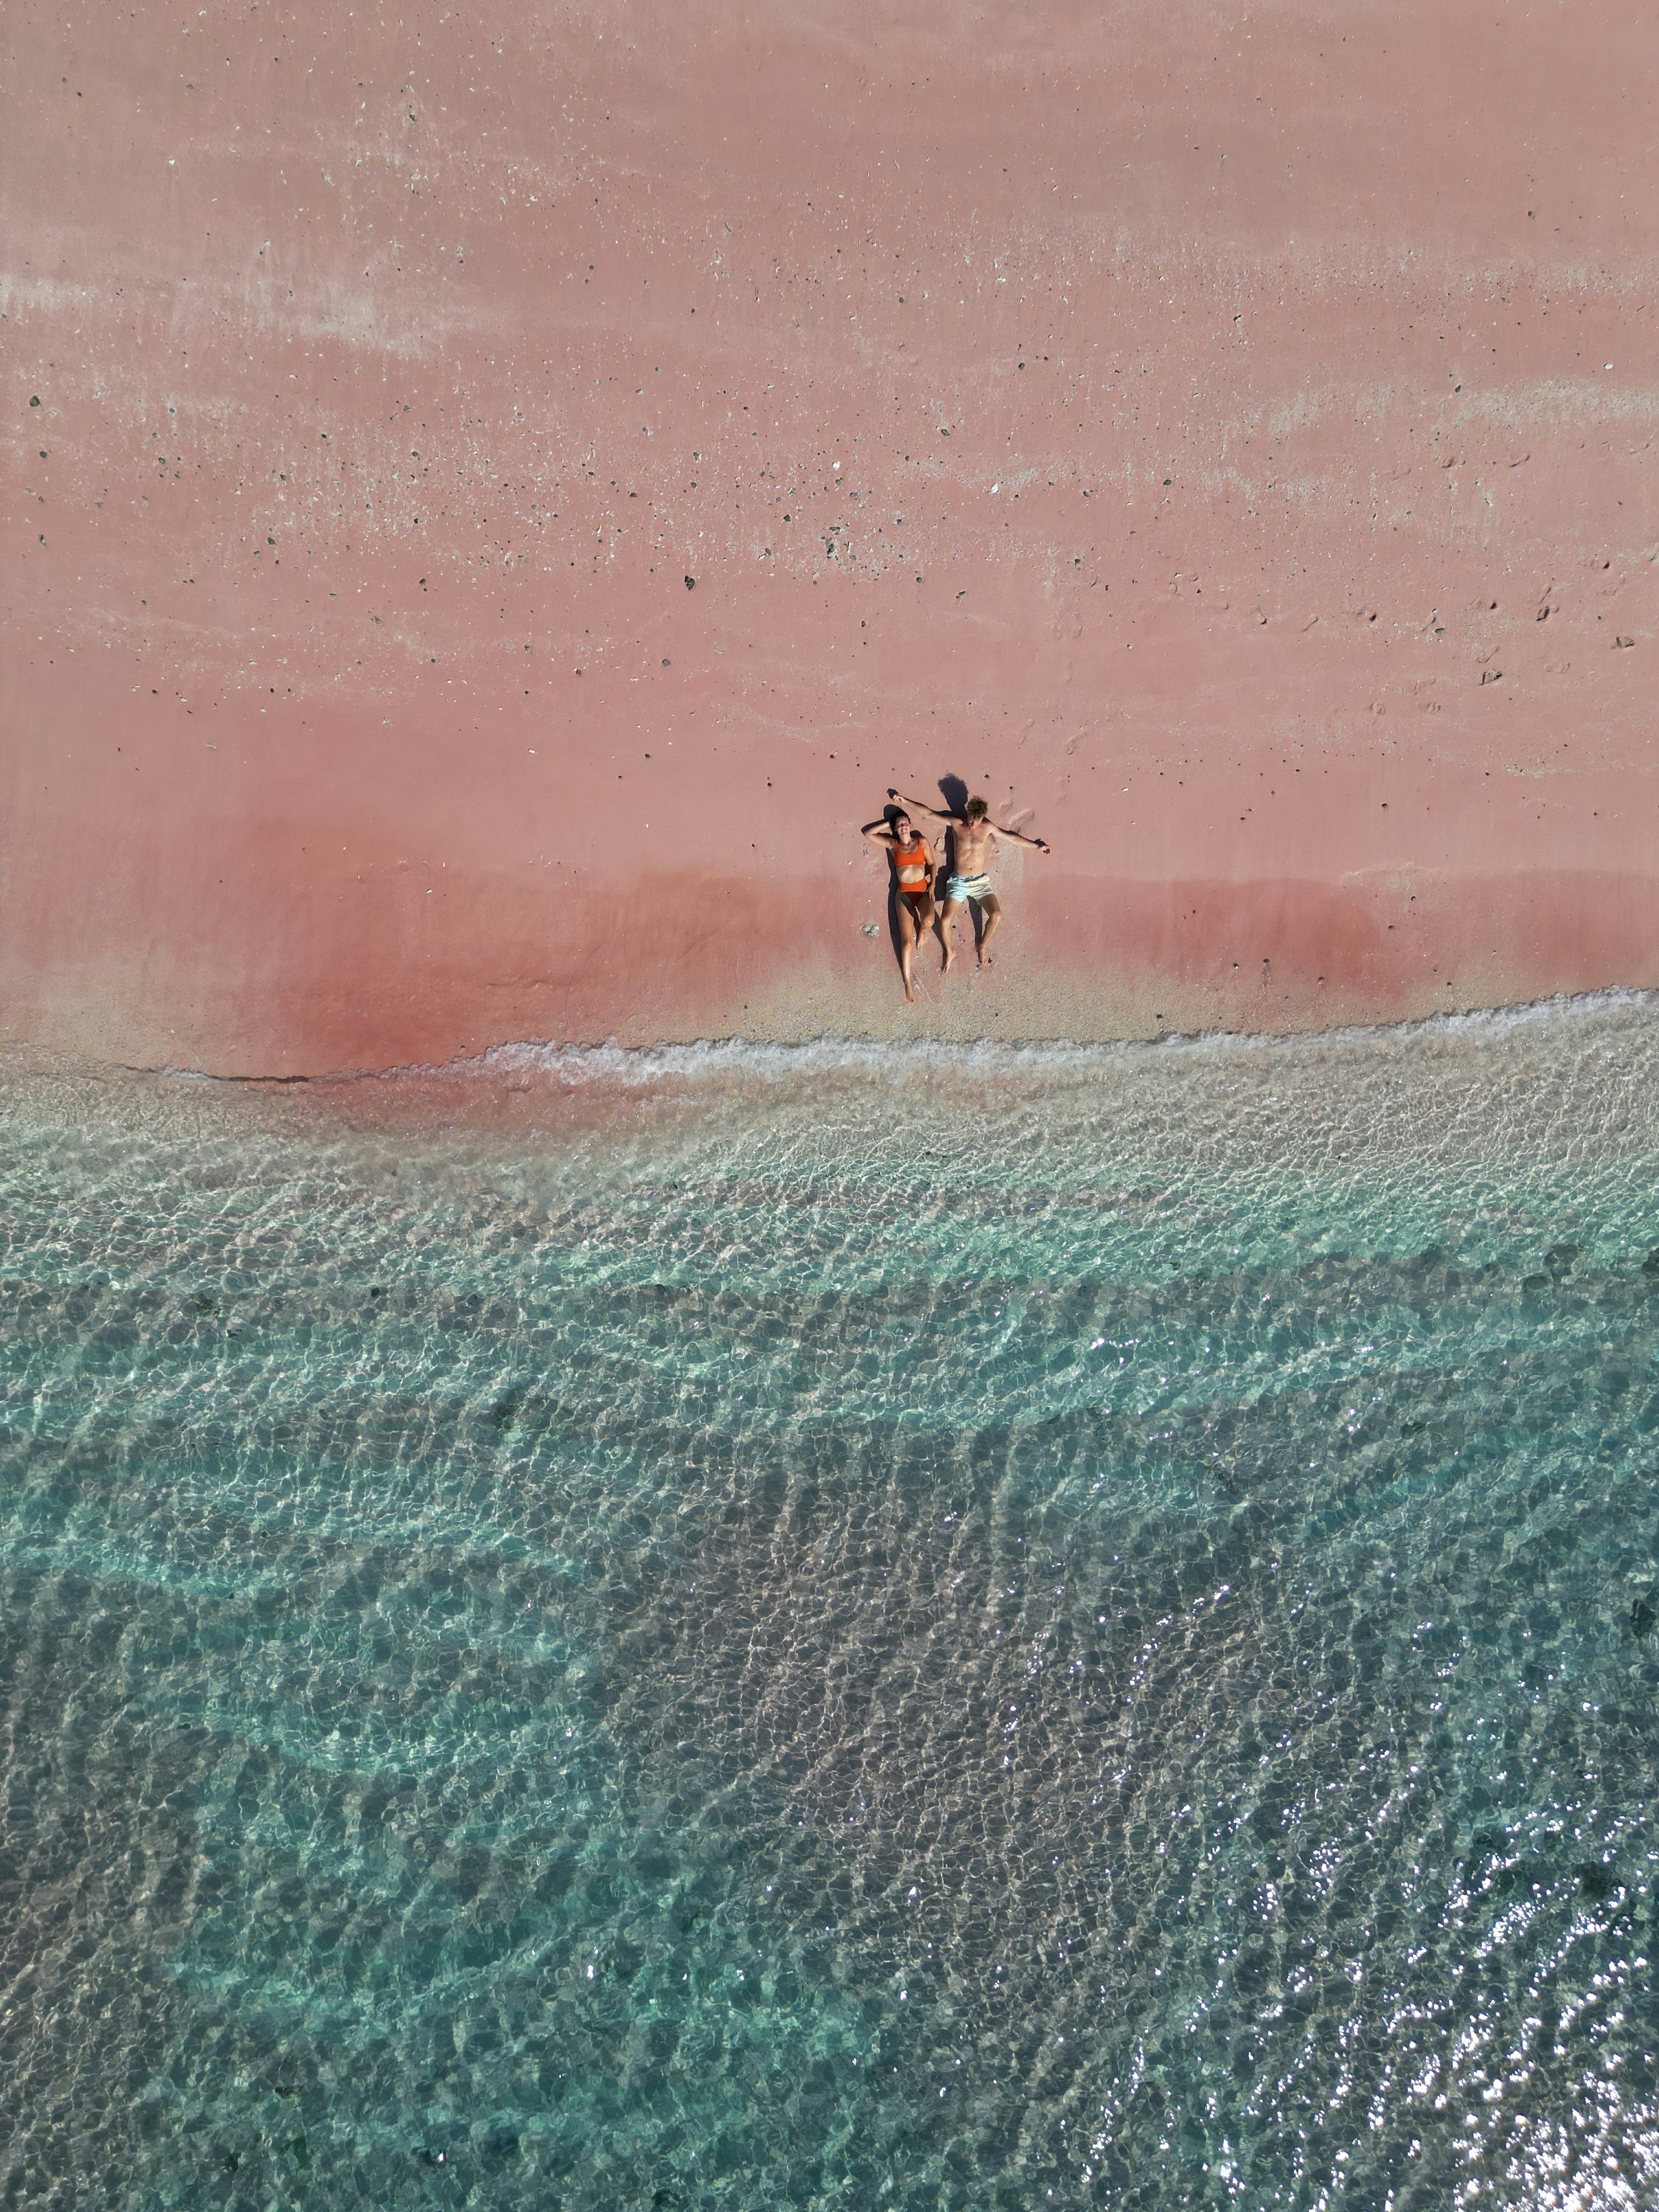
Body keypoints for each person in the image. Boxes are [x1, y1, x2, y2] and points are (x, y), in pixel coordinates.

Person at [889, 789, 1051, 971]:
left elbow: (1011, 837)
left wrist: (1037, 846)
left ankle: (982, 945)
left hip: (980, 882)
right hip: (959, 881)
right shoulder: (957, 824)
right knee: (944, 922)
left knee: (996, 915)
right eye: (971, 819)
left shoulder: (988, 827)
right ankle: (949, 951)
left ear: (983, 817)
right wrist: (905, 800)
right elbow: (929, 813)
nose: (973, 824)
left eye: (977, 820)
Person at [861, 806, 939, 1003]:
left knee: (928, 921)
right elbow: (868, 833)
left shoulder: (921, 841)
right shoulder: (893, 844)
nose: (903, 827)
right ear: (896, 829)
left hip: (922, 891)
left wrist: (933, 886)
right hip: (903, 895)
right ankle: (907, 982)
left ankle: (922, 931)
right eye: (899, 825)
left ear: (910, 825)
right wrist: (888, 823)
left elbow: (932, 864)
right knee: (906, 942)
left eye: (905, 823)